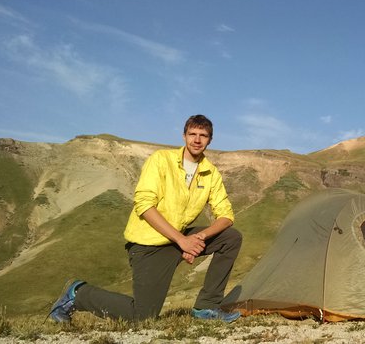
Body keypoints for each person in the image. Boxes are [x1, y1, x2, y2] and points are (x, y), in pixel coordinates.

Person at [48, 115, 242, 323]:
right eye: (192, 134)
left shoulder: (210, 173)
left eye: (203, 135)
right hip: (148, 245)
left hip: (179, 240)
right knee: (143, 316)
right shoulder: (161, 160)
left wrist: (199, 238)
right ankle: (78, 293)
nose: (197, 140)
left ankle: (207, 307)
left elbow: (226, 215)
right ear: (184, 136)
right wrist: (182, 241)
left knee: (231, 237)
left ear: (209, 140)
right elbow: (144, 205)